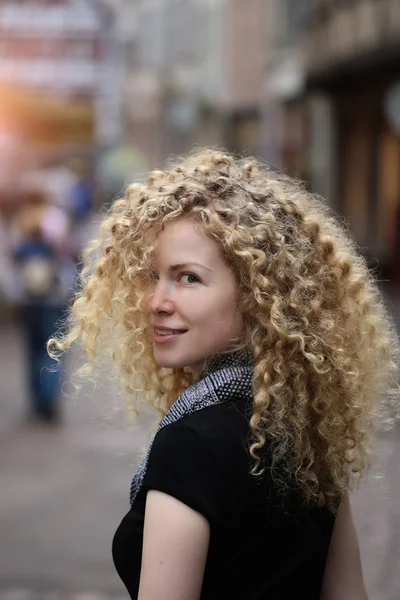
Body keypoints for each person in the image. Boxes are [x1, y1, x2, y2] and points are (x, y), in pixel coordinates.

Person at [48, 150, 399, 599]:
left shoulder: (192, 446)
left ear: (255, 296)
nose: (156, 300)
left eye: (187, 278)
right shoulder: (307, 429)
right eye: (154, 275)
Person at [10, 187, 74, 423]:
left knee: (33, 351)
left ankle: (36, 401)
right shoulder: (57, 218)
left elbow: (12, 260)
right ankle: (49, 398)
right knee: (53, 349)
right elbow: (69, 254)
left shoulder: (20, 222)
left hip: (28, 297)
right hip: (53, 295)